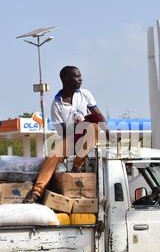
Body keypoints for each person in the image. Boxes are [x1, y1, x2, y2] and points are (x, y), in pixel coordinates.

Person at [23, 66, 107, 203]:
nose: (81, 79)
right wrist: (76, 126)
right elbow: (62, 132)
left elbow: (98, 114)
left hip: (86, 138)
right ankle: (36, 192)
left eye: (81, 76)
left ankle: (76, 167)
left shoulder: (85, 94)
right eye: (77, 76)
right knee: (52, 156)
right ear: (66, 79)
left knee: (93, 127)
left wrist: (108, 133)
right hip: (69, 138)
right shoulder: (56, 104)